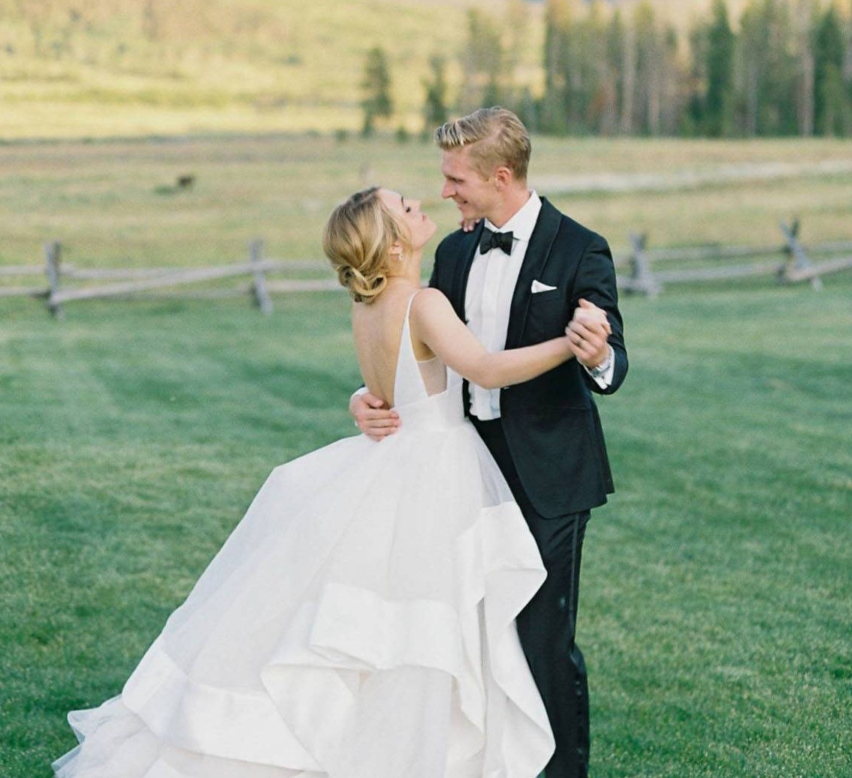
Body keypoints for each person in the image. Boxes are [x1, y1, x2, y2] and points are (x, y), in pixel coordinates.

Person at [51, 184, 608, 778]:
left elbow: (393, 383)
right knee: (420, 634)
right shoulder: (422, 303)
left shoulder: (368, 305)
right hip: (432, 475)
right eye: (406, 208)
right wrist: (569, 346)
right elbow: (486, 369)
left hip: (390, 463)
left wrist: (359, 400)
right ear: (393, 245)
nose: (422, 205)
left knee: (385, 631)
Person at [351, 107, 628, 778]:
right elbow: (420, 353)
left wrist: (595, 354)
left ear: (499, 175)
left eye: (455, 179)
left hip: (549, 476)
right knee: (467, 637)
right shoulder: (452, 250)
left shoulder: (580, 248)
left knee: (541, 639)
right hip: (458, 471)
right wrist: (365, 397)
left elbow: (613, 360)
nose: (446, 192)